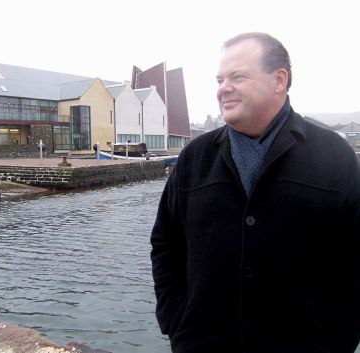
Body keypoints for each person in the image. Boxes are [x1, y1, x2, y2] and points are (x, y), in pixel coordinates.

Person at [150, 32, 360, 353]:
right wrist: (176, 321)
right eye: (220, 79)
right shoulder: (195, 157)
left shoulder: (334, 155)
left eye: (238, 77)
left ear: (279, 80)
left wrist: (339, 335)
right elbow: (166, 244)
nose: (223, 88)